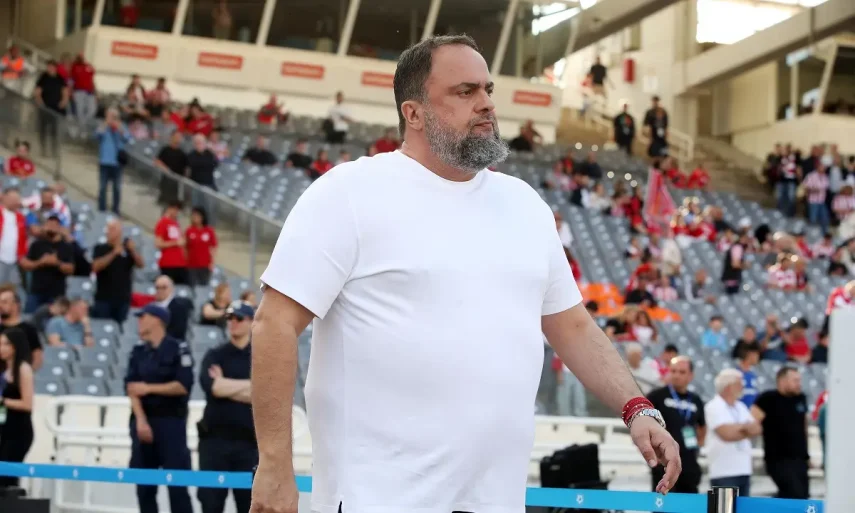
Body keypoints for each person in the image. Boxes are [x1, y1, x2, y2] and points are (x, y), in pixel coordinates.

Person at [249, 35, 681, 513]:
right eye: (465, 91)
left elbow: (574, 327)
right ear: (413, 113)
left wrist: (636, 408)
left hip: (495, 501)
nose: (486, 103)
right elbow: (274, 324)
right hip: (377, 499)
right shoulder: (349, 193)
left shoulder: (525, 205)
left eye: (488, 89)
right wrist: (274, 466)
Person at [125, 304, 193, 513]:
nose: (139, 321)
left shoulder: (178, 348)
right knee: (144, 487)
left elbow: (182, 386)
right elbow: (131, 388)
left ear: (157, 320)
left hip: (171, 424)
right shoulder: (138, 351)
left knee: (177, 486)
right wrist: (141, 421)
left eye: (143, 317)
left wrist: (148, 388)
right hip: (143, 423)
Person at [197, 301, 257, 513]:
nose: (233, 322)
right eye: (230, 318)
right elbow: (213, 387)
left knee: (249, 506)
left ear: (251, 322)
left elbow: (263, 393)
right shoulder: (215, 354)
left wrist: (224, 384)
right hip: (214, 443)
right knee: (211, 505)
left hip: (248, 445)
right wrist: (249, 387)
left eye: (239, 318)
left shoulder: (260, 356)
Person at [646, 357, 705, 493]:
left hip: (689, 463)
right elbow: (643, 423)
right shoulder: (656, 396)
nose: (676, 375)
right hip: (664, 463)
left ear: (691, 375)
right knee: (664, 501)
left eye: (682, 372)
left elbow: (702, 426)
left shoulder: (696, 400)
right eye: (673, 371)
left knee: (689, 502)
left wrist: (697, 446)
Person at [751, 366, 810, 499]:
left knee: (803, 496)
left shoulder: (801, 398)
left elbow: (804, 426)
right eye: (795, 380)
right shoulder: (767, 399)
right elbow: (752, 422)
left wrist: (807, 454)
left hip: (799, 458)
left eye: (799, 380)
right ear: (782, 381)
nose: (799, 384)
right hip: (778, 459)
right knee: (793, 493)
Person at [704, 368, 762, 496]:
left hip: (744, 469)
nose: (743, 387)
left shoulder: (740, 406)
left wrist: (738, 429)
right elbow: (726, 434)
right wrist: (745, 428)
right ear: (729, 386)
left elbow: (757, 429)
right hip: (723, 472)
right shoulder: (714, 406)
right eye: (739, 384)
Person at [91, 219, 144, 325]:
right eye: (108, 229)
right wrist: (114, 253)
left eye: (112, 229)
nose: (108, 232)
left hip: (123, 299)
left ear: (120, 232)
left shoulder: (128, 250)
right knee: (102, 326)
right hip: (104, 299)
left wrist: (133, 250)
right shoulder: (100, 248)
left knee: (122, 327)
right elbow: (95, 267)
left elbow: (141, 264)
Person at [0, 327, 34, 489]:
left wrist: (3, 401)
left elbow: (27, 404)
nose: (1, 348)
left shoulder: (23, 369)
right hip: (4, 428)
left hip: (19, 431)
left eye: (6, 344)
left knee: (7, 476)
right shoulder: (3, 370)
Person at [19, 215, 74, 313]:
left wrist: (57, 263)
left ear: (59, 228)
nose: (51, 228)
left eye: (54, 226)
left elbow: (71, 269)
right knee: (29, 317)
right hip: (36, 291)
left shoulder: (66, 247)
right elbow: (25, 264)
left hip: (57, 294)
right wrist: (40, 262)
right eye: (48, 225)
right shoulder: (37, 245)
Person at [96, 107, 130, 214]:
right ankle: (102, 208)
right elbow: (97, 135)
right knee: (102, 187)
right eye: (109, 116)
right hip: (104, 162)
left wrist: (119, 127)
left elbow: (127, 138)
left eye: (114, 116)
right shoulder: (103, 126)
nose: (112, 119)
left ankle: (115, 209)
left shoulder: (122, 126)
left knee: (117, 188)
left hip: (117, 163)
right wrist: (106, 124)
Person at [33, 60, 69, 158]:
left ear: (55, 68)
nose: (50, 68)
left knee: (55, 131)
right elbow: (37, 92)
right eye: (48, 66)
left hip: (56, 110)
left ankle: (54, 151)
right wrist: (40, 103)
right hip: (45, 108)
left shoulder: (60, 78)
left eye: (52, 66)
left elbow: (65, 91)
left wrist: (64, 102)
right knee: (43, 130)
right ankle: (43, 150)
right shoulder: (43, 77)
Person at [0, 290, 43, 371]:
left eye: (4, 302)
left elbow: (37, 357)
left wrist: (26, 373)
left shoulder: (29, 329)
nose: (0, 305)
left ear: (16, 305)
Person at [154, 202, 189, 285]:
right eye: (174, 209)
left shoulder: (176, 224)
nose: (176, 212)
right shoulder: (162, 222)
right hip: (168, 263)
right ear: (169, 209)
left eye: (177, 210)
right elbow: (158, 243)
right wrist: (176, 243)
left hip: (180, 263)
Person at [152, 275, 194, 341]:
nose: (160, 290)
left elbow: (178, 332)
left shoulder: (179, 307)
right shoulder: (151, 307)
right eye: (157, 288)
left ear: (171, 288)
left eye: (164, 287)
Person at [0, 188, 28, 286]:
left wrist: (22, 255)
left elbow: (23, 238)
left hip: (14, 260)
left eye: (17, 199)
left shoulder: (20, 217)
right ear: (3, 197)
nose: (15, 201)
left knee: (14, 288)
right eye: (12, 198)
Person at [186, 207, 218, 287]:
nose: (195, 218)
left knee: (204, 286)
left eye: (197, 216)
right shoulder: (189, 231)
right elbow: (185, 248)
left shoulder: (209, 231)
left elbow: (213, 247)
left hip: (205, 265)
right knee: (192, 286)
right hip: (191, 265)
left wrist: (211, 262)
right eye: (193, 216)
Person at [70, 53, 97, 128]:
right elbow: (71, 80)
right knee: (80, 110)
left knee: (92, 110)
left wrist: (95, 92)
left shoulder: (88, 66)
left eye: (82, 57)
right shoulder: (74, 66)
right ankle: (81, 127)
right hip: (79, 91)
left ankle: (82, 124)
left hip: (89, 92)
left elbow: (92, 79)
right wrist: (71, 91)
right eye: (79, 57)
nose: (81, 59)